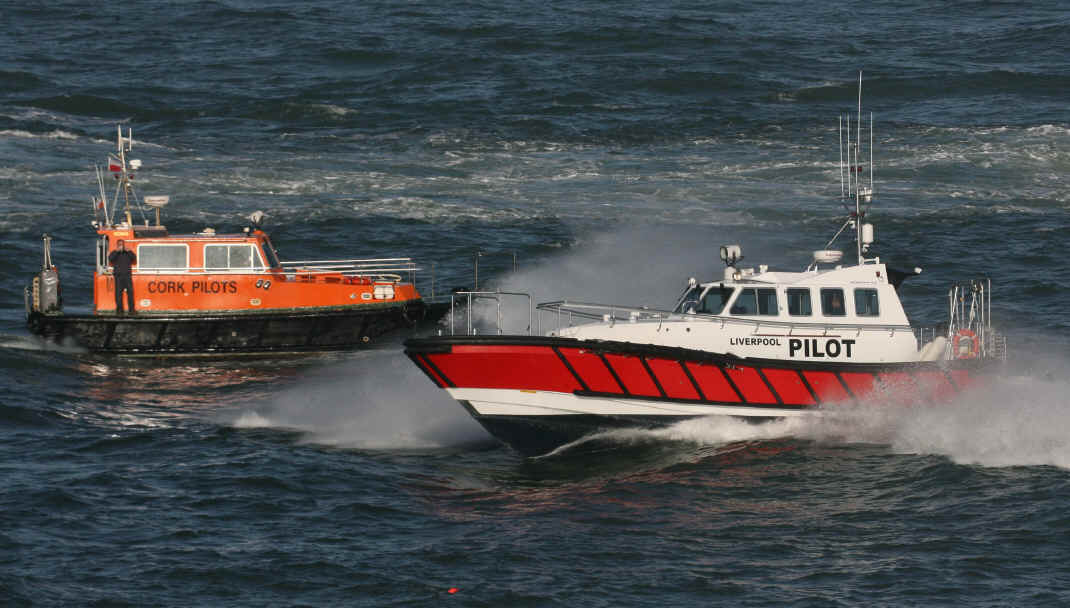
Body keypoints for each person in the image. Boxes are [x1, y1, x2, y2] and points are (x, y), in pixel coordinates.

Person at [108, 240, 137, 314]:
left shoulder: (127, 253)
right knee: (118, 294)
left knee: (130, 293)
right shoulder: (114, 253)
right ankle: (119, 310)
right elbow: (110, 259)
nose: (121, 246)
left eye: (122, 244)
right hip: (118, 276)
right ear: (117, 245)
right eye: (119, 244)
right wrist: (116, 251)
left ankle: (132, 310)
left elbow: (134, 259)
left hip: (127, 276)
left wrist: (129, 251)